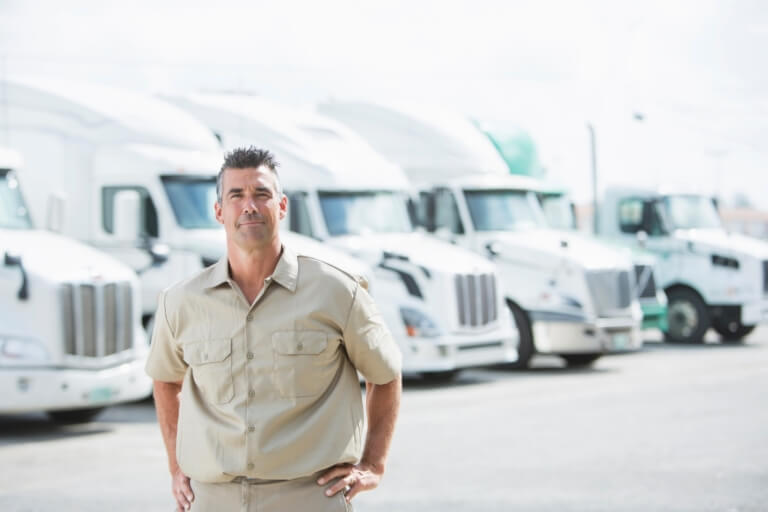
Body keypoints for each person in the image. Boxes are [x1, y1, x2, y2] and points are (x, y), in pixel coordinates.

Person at [146, 146, 402, 511]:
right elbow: (165, 381)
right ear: (219, 212)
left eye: (261, 194)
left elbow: (386, 374)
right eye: (236, 195)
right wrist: (176, 467)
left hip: (310, 497)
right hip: (213, 500)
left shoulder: (336, 291)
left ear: (281, 207)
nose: (249, 205)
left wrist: (373, 464)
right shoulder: (180, 302)